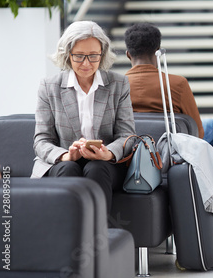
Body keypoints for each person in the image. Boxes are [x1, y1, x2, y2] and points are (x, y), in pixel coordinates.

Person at [31, 21, 136, 213]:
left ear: (102, 55)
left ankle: (99, 238)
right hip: (63, 163)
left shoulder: (118, 84)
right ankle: (66, 237)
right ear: (67, 54)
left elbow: (127, 136)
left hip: (105, 165)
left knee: (96, 168)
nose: (86, 63)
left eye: (93, 56)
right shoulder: (49, 86)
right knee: (69, 168)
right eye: (79, 56)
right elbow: (42, 141)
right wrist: (65, 155)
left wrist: (109, 153)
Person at [124, 23, 213, 156]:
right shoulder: (178, 84)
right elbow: (198, 133)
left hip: (129, 151)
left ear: (128, 54)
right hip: (171, 153)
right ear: (158, 51)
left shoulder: (116, 85)